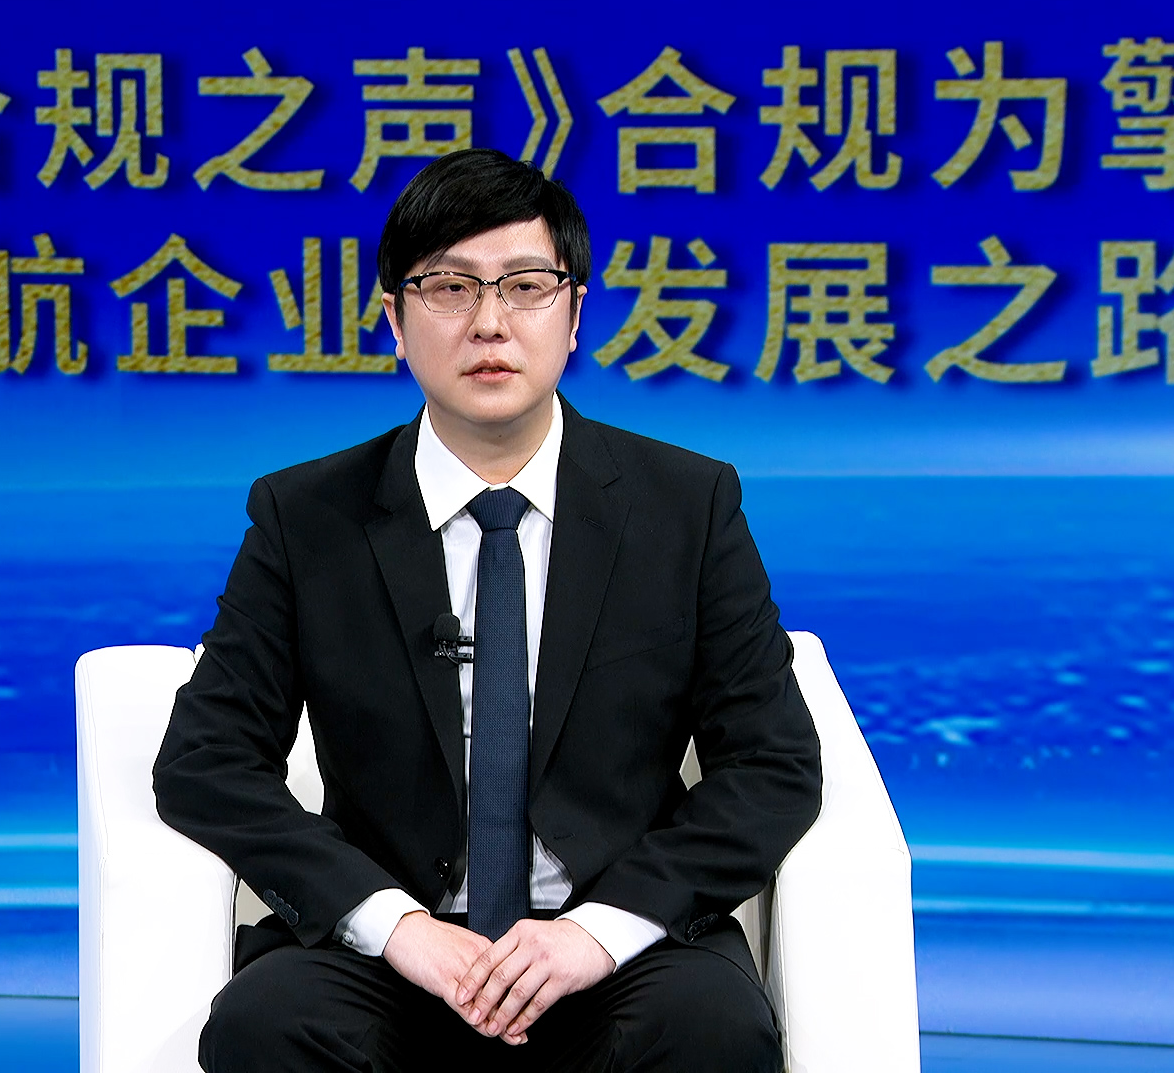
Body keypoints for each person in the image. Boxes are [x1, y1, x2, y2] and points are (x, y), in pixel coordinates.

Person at [154, 148, 822, 1073]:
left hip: (611, 950)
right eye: (450, 287)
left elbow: (772, 765)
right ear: (395, 320)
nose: (490, 322)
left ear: (575, 314)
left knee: (710, 1025)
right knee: (268, 1025)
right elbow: (207, 762)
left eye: (526, 286)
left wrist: (597, 931)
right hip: (395, 954)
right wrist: (393, 925)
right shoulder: (306, 517)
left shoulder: (686, 505)